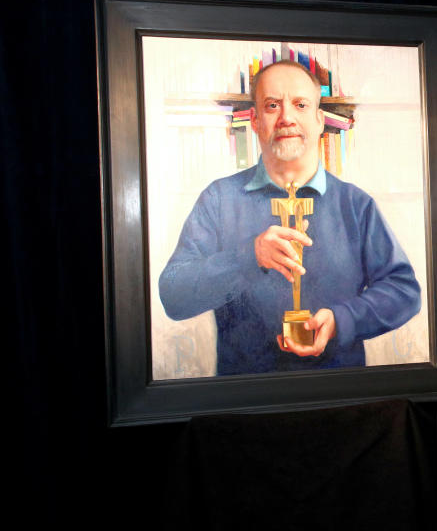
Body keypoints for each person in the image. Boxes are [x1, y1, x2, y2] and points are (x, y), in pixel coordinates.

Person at [159, 60, 421, 375]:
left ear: (320, 119)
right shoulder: (219, 199)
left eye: (300, 105)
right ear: (254, 120)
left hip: (341, 397)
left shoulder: (356, 204)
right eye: (272, 106)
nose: (286, 118)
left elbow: (404, 291)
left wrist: (342, 319)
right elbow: (173, 295)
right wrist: (248, 257)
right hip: (245, 402)